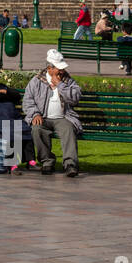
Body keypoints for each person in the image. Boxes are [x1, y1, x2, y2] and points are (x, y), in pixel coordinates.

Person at [23, 49, 83, 177]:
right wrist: (35, 114)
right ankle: (47, 162)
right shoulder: (36, 81)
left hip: (63, 117)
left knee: (68, 130)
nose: (62, 71)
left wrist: (60, 85)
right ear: (49, 68)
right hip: (43, 117)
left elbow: (75, 98)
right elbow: (27, 100)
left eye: (62, 68)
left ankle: (70, 164)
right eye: (58, 68)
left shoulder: (68, 81)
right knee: (37, 129)